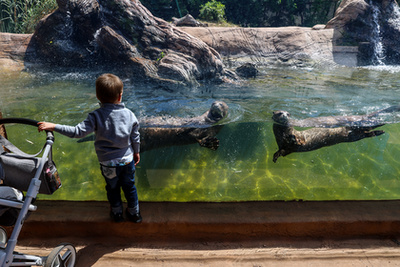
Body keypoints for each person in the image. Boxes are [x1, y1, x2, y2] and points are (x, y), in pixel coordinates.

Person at [38, 73, 142, 223]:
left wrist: (54, 126)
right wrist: (136, 151)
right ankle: (134, 214)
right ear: (120, 96)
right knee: (130, 187)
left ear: (98, 96)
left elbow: (77, 132)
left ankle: (117, 213)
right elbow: (135, 136)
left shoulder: (95, 116)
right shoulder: (130, 114)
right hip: (127, 161)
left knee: (113, 188)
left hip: (108, 164)